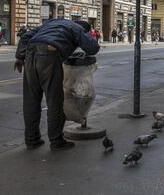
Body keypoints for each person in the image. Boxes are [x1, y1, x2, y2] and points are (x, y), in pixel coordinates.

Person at [14, 19, 100, 151]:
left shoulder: (52, 23)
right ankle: (56, 141)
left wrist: (20, 57)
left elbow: (26, 36)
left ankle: (32, 140)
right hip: (49, 54)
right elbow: (93, 48)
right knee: (54, 100)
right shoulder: (76, 28)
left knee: (31, 100)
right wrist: (84, 39)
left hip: (30, 54)